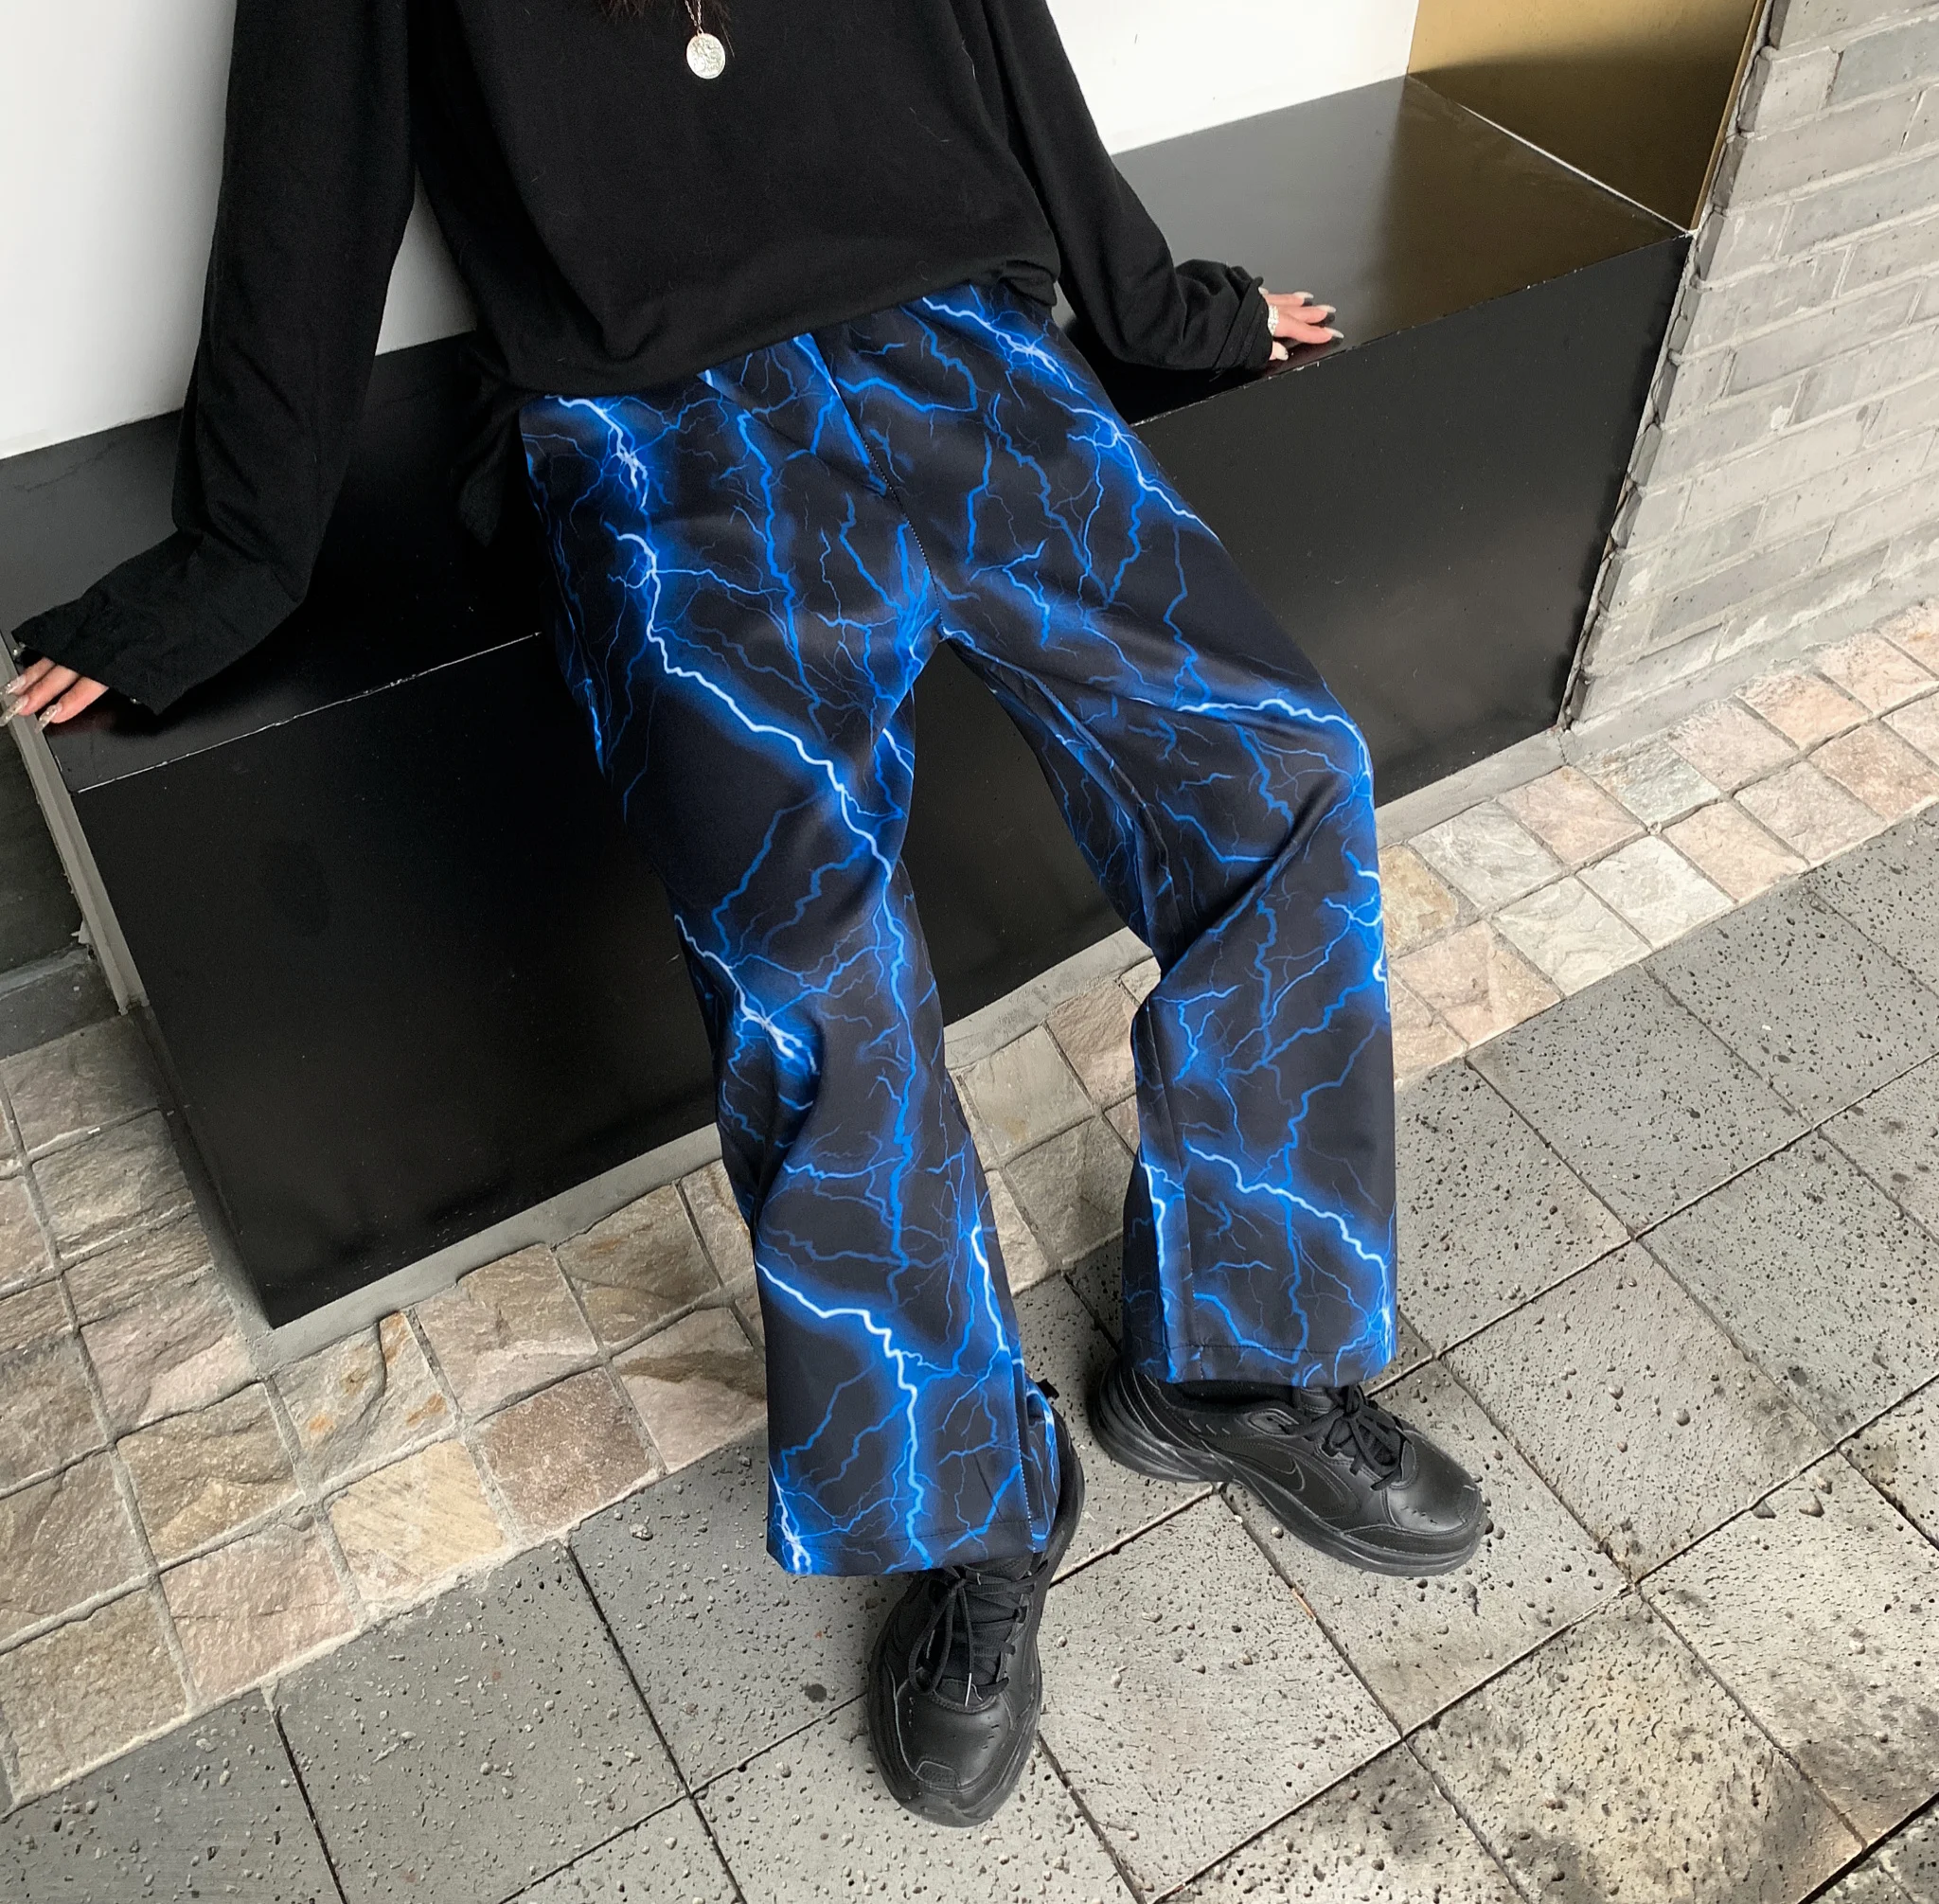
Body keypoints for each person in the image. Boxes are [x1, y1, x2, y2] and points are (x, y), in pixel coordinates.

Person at [7, 0, 1483, 1826]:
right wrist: (233, 558)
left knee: (1285, 769)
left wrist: (1156, 306)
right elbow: (308, 185)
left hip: (959, 345)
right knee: (808, 954)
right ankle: (967, 1504)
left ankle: (1240, 1361)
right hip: (649, 431)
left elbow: (1001, 34)